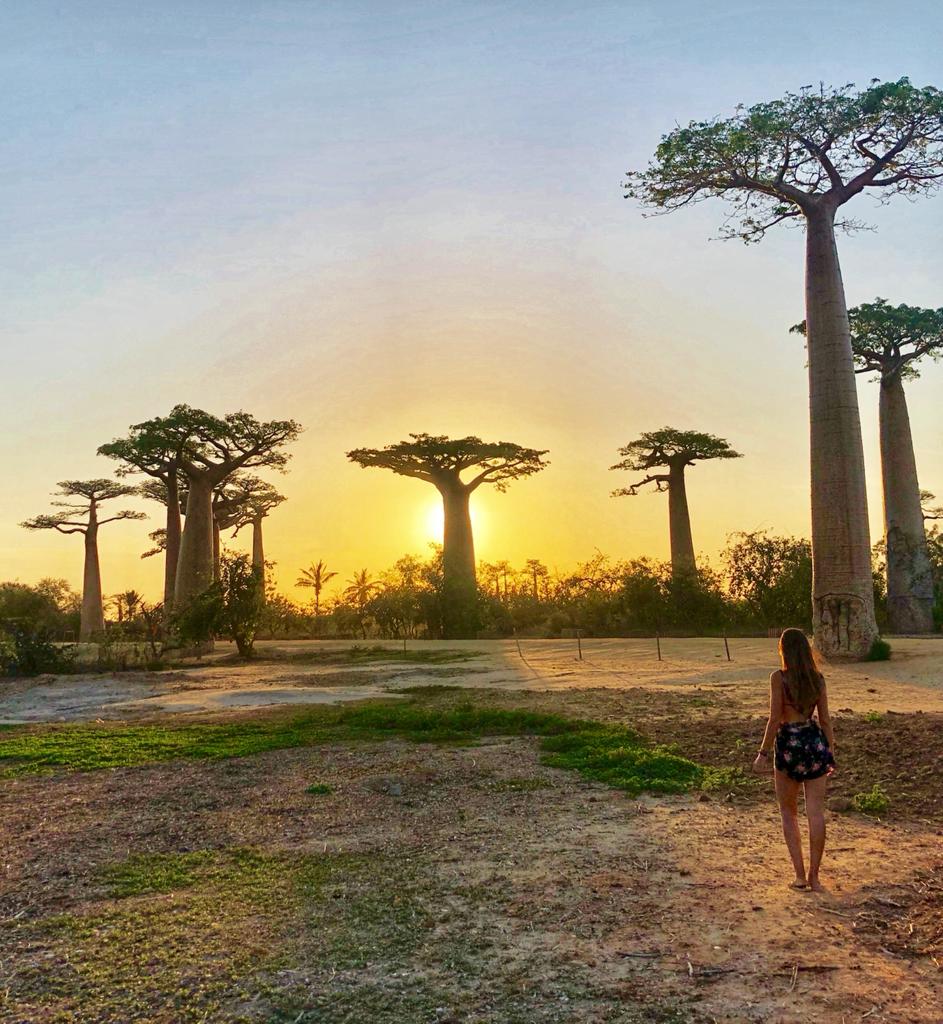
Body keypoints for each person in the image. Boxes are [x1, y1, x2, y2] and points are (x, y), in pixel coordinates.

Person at [752, 628, 835, 892]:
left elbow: (775, 718)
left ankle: (799, 876)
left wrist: (762, 753)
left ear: (783, 650)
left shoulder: (779, 678)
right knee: (815, 813)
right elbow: (825, 720)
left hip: (788, 744)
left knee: (788, 812)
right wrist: (830, 751)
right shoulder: (818, 679)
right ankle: (815, 877)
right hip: (814, 743)